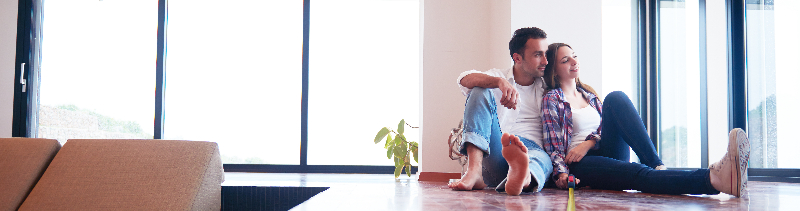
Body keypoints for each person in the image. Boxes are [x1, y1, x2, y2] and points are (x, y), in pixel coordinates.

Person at [540, 43, 750, 197]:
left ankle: (658, 166)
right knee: (638, 173)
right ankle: (714, 179)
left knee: (616, 97)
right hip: (580, 165)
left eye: (574, 56)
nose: (574, 62)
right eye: (565, 60)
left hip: (602, 151)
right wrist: (562, 175)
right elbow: (554, 148)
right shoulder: (552, 99)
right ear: (554, 70)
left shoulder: (590, 96)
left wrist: (590, 142)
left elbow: (604, 130)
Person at [447, 27, 553, 196]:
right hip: (499, 149)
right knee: (479, 90)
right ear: (517, 58)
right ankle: (474, 172)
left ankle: (522, 176)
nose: (546, 61)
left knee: (540, 159)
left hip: (534, 150)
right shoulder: (498, 77)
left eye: (546, 54)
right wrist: (498, 82)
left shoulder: (550, 87)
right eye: (538, 55)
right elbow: (463, 78)